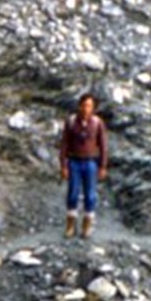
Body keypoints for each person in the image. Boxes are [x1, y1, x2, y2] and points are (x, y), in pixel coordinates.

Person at [57, 93, 109, 239]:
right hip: (74, 162)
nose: (86, 109)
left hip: (91, 162)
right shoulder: (71, 122)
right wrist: (63, 165)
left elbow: (103, 146)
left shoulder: (97, 123)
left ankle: (87, 225)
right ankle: (70, 225)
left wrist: (103, 166)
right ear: (79, 106)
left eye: (89, 106)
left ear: (93, 108)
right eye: (84, 105)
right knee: (73, 194)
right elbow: (64, 144)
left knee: (90, 195)